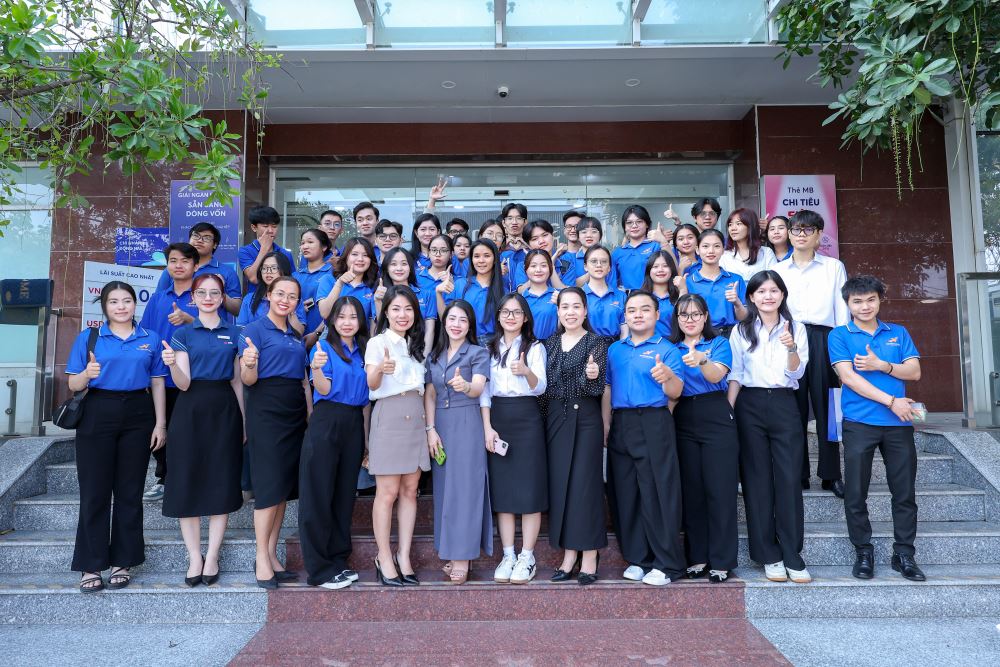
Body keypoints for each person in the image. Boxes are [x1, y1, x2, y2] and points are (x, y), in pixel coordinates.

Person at [66, 281, 168, 593]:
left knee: (129, 492)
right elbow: (72, 384)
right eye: (114, 301)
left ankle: (123, 561)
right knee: (94, 491)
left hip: (139, 413)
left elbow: (158, 383)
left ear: (135, 304)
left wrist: (160, 424)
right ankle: (91, 564)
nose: (121, 306)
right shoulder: (90, 337)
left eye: (126, 301)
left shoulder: (150, 338)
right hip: (98, 411)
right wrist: (86, 375)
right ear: (105, 306)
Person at [828, 275, 925, 582]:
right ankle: (863, 552)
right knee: (856, 493)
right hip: (859, 423)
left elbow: (915, 371)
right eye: (857, 301)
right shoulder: (839, 335)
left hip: (898, 424)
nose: (865, 306)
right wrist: (892, 401)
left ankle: (904, 554)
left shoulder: (898, 332)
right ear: (847, 304)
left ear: (880, 300)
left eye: (871, 299)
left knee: (904, 493)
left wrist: (882, 365)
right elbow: (849, 378)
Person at [160, 273, 244, 587]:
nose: (208, 298)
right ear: (193, 298)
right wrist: (171, 364)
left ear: (222, 298)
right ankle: (194, 555)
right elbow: (183, 383)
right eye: (202, 293)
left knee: (222, 480)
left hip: (224, 408)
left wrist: (244, 421)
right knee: (187, 479)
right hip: (190, 409)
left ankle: (213, 554)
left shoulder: (235, 332)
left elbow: (237, 381)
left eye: (214, 293)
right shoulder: (183, 333)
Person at [728, 270, 811, 584]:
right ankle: (768, 555)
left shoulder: (796, 328)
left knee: (788, 477)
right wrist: (729, 411)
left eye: (774, 290)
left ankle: (792, 553)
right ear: (751, 297)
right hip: (749, 404)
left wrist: (791, 347)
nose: (768, 296)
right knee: (757, 479)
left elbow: (797, 373)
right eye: (761, 291)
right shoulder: (741, 330)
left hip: (784, 403)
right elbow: (736, 374)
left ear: (782, 295)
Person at [604, 290, 686, 586]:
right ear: (625, 316)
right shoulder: (615, 350)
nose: (637, 314)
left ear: (657, 314)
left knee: (657, 492)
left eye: (644, 309)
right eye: (631, 310)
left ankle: (667, 563)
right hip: (621, 422)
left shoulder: (667, 349)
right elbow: (608, 388)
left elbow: (676, 392)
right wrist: (606, 424)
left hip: (653, 421)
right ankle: (638, 558)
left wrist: (667, 377)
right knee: (626, 493)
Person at [238, 276, 310, 589]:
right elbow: (248, 380)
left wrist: (310, 415)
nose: (285, 300)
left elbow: (303, 380)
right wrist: (249, 363)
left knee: (282, 488)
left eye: (292, 296)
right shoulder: (253, 330)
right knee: (268, 488)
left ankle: (271, 554)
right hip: (266, 411)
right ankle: (261, 558)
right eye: (280, 293)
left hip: (294, 412)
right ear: (268, 295)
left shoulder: (296, 335)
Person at [774, 209, 849, 497]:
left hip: (824, 337)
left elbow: (842, 311)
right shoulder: (779, 270)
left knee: (829, 406)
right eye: (796, 229)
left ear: (819, 235)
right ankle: (799, 473)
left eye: (808, 230)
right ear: (789, 234)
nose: (801, 235)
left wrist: (841, 350)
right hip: (789, 338)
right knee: (793, 410)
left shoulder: (833, 267)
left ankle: (832, 475)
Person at [298, 296, 370, 590]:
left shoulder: (365, 350)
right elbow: (324, 389)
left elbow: (366, 400)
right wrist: (316, 368)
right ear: (332, 320)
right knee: (318, 493)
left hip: (354, 422)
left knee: (344, 495)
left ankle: (338, 560)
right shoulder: (323, 348)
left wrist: (366, 439)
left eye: (353, 317)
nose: (347, 322)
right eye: (341, 317)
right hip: (327, 419)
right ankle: (319, 569)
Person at [670, 293, 739, 583]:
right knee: (692, 490)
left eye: (696, 314)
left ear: (706, 317)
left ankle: (722, 560)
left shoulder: (718, 343)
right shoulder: (670, 347)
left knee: (720, 489)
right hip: (683, 414)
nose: (690, 320)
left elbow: (715, 376)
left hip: (715, 412)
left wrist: (702, 359)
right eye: (684, 315)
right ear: (676, 319)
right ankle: (697, 557)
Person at [543, 288, 609, 585]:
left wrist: (592, 375)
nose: (570, 312)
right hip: (556, 418)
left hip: (585, 418)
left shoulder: (596, 342)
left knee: (585, 487)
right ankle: (569, 554)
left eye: (576, 306)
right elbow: (544, 389)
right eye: (565, 307)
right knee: (563, 487)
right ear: (558, 312)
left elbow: (596, 387)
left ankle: (590, 555)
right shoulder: (549, 343)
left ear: (585, 311)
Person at [365, 286, 429, 587]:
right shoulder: (377, 343)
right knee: (387, 492)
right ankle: (384, 556)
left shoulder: (417, 344)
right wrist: (381, 368)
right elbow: (371, 383)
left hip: (416, 417)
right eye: (396, 309)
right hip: (389, 415)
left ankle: (404, 555)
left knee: (409, 491)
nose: (402, 315)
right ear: (386, 312)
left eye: (408, 309)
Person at [482, 294, 548, 584]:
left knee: (530, 488)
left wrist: (526, 371)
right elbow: (484, 392)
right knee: (504, 490)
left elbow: (541, 387)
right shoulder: (489, 348)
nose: (511, 317)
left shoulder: (535, 347)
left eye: (517, 312)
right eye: (506, 312)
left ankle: (527, 556)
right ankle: (508, 555)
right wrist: (487, 427)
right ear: (498, 316)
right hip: (499, 418)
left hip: (527, 417)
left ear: (525, 317)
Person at [425, 300, 492, 584]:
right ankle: (452, 552)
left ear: (470, 325)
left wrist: (465, 386)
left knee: (465, 490)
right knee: (445, 491)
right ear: (444, 322)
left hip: (467, 422)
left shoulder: (477, 352)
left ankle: (463, 557)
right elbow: (430, 393)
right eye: (452, 318)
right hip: (440, 424)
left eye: (463, 320)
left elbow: (477, 387)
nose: (456, 324)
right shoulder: (434, 355)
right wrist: (430, 428)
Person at [139, 242, 201, 502]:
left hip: (194, 377)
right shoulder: (158, 298)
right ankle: (164, 479)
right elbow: (146, 334)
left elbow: (217, 330)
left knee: (190, 433)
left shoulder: (203, 295)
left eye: (185, 261)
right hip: (161, 377)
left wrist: (190, 319)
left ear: (195, 266)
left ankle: (190, 479)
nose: (178, 265)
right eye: (173, 260)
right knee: (159, 430)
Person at [155, 222, 242, 317]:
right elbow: (157, 302)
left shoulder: (227, 272)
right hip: (175, 324)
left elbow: (238, 310)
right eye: (196, 236)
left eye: (206, 238)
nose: (200, 240)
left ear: (215, 245)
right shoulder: (174, 269)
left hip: (212, 326)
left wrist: (220, 291)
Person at [438, 239, 504, 345]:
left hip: (492, 344)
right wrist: (438, 293)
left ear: (495, 259)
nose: (481, 260)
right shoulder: (460, 285)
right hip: (463, 341)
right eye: (476, 256)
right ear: (471, 260)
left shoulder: (502, 290)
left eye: (487, 256)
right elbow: (445, 317)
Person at [684, 230, 747, 337]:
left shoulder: (736, 279)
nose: (711, 251)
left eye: (717, 246)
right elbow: (683, 317)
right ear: (697, 250)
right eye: (705, 246)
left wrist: (737, 303)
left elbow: (744, 318)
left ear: (723, 250)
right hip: (701, 336)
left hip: (732, 335)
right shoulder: (688, 282)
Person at [376, 247, 438, 355]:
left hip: (419, 352)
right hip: (391, 353)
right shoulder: (380, 294)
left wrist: (424, 358)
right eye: (393, 264)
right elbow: (381, 326)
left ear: (410, 267)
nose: (399, 268)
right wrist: (378, 301)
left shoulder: (427, 294)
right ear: (387, 268)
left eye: (404, 264)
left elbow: (430, 330)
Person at [237, 251, 307, 334]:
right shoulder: (249, 299)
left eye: (274, 268)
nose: (268, 271)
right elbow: (241, 330)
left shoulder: (293, 299)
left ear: (284, 270)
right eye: (264, 268)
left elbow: (299, 332)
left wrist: (290, 309)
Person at [316, 237, 379, 326]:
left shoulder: (375, 284)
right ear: (346, 257)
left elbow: (374, 321)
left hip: (364, 334)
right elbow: (325, 313)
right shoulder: (329, 279)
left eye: (365, 255)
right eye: (354, 254)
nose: (360, 259)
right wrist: (339, 283)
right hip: (333, 334)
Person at [238, 206, 294, 292]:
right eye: (265, 226)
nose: (270, 230)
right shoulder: (245, 251)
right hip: (256, 299)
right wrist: (264, 249)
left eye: (274, 226)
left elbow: (292, 282)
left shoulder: (286, 254)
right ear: (254, 228)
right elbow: (253, 278)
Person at [580, 245, 627, 345]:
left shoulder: (621, 296)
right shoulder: (578, 295)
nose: (599, 265)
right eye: (594, 261)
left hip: (615, 346)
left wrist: (620, 349)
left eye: (604, 261)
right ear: (585, 266)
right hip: (586, 347)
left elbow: (625, 331)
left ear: (609, 268)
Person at [293, 228, 334, 342]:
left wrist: (317, 333)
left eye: (310, 242)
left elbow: (335, 308)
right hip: (296, 336)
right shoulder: (295, 276)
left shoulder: (333, 274)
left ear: (324, 247)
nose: (305, 246)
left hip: (325, 336)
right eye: (302, 243)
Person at [612, 205, 661, 291]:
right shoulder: (617, 253)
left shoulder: (656, 246)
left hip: (650, 296)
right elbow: (613, 282)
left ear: (647, 224)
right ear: (624, 227)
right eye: (629, 223)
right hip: (626, 297)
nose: (634, 226)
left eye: (639, 221)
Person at [720, 209, 776, 281]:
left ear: (750, 226)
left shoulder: (766, 253)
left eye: (738, 224)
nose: (733, 228)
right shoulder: (724, 255)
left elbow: (774, 281)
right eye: (730, 224)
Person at [640, 250, 683, 338]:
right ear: (649, 271)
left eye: (665, 266)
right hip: (647, 344)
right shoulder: (640, 297)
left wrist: (683, 290)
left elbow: (685, 319)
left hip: (675, 344)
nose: (660, 270)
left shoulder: (680, 294)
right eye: (655, 266)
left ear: (671, 269)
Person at [521, 249, 559, 340]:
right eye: (533, 266)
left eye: (543, 265)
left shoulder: (558, 296)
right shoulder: (520, 299)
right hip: (526, 346)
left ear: (550, 268)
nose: (538, 270)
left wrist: (561, 305)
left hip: (553, 346)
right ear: (526, 269)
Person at [572, 217, 619, 288]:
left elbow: (612, 286)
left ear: (600, 235)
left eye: (594, 231)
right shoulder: (571, 258)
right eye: (584, 232)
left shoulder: (607, 258)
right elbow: (570, 286)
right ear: (578, 236)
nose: (589, 235)